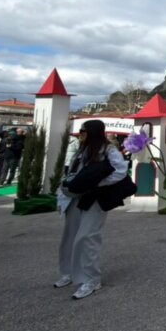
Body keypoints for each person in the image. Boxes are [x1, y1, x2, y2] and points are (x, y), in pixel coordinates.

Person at [55, 119, 128, 300]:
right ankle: (69, 272)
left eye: (84, 131)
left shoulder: (108, 150)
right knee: (70, 236)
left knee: (87, 237)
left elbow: (120, 171)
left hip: (93, 198)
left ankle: (91, 279)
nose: (81, 135)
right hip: (74, 197)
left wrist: (98, 183)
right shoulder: (82, 149)